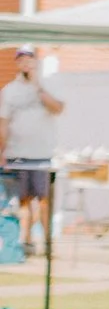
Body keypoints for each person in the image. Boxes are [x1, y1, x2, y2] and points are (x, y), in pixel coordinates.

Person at [1, 46, 64, 258]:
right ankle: (25, 241)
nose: (26, 63)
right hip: (17, 153)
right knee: (24, 200)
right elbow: (4, 123)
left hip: (43, 153)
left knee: (44, 199)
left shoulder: (48, 85)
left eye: (30, 59)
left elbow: (58, 108)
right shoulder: (9, 91)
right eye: (22, 60)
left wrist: (37, 87)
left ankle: (47, 241)